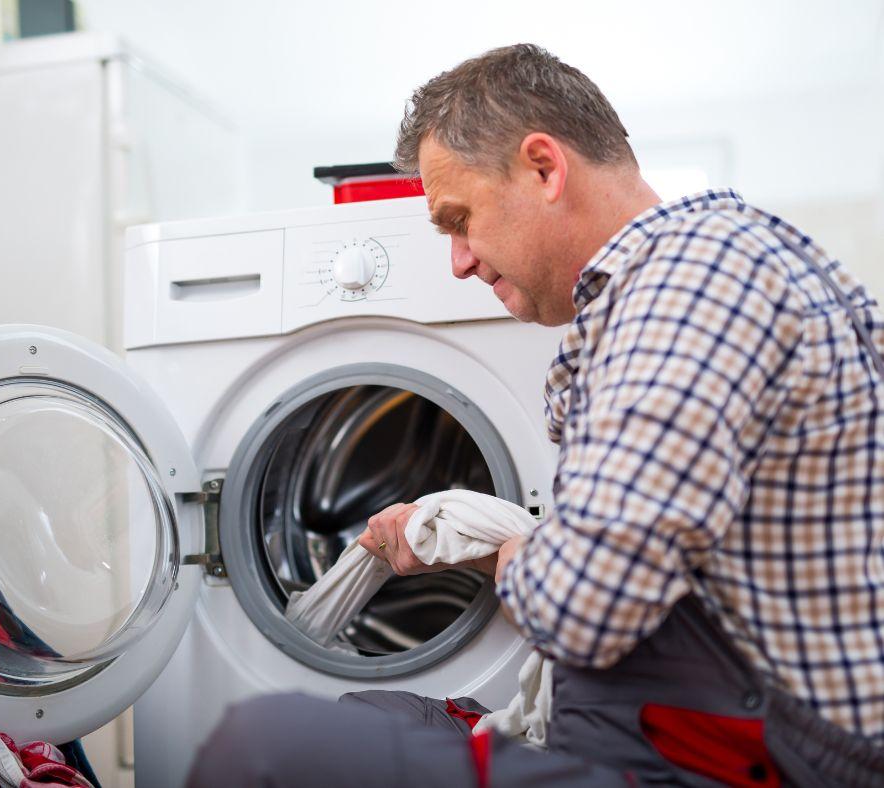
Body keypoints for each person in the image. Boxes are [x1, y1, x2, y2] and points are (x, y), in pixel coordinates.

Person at [188, 44, 884, 787]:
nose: (458, 260)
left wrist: (503, 545)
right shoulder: (704, 268)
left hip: (746, 760)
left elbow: (589, 606)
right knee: (375, 711)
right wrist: (484, 541)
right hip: (691, 729)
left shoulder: (694, 281)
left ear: (544, 168)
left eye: (460, 220)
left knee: (262, 744)